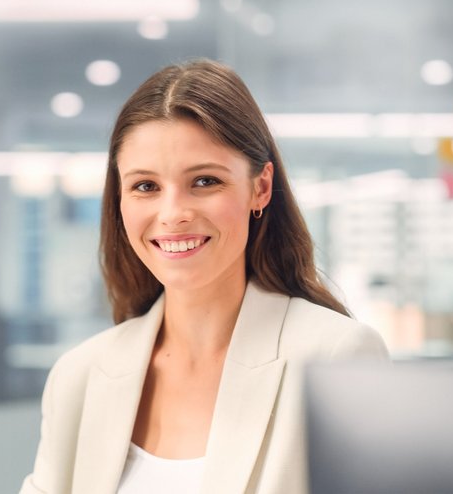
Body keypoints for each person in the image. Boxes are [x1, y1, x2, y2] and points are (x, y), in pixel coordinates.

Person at [20, 59, 389, 494]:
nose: (173, 214)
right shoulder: (79, 375)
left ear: (260, 188)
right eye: (145, 186)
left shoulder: (336, 357)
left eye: (204, 181)